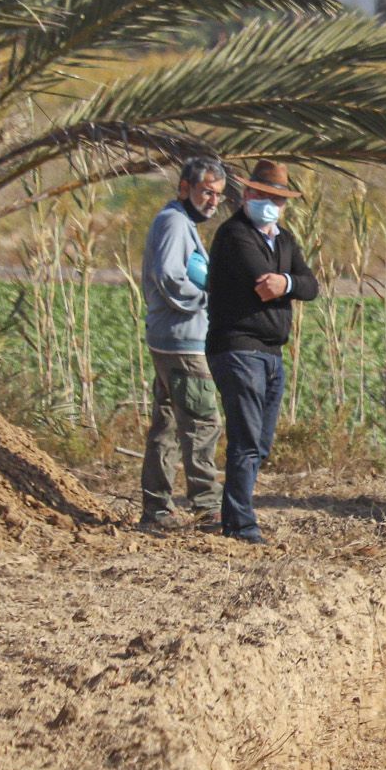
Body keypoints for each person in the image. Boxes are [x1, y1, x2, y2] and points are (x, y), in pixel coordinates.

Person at [205, 160, 319, 544]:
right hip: (238, 348)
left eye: (277, 199)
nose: (269, 203)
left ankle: (235, 514)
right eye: (262, 195)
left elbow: (310, 285)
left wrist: (285, 280)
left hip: (271, 352)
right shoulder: (235, 235)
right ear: (247, 194)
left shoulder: (284, 240)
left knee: (261, 441)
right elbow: (262, 285)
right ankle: (239, 524)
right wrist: (289, 284)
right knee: (247, 438)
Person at [136, 156, 226, 530]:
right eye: (207, 192)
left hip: (170, 339)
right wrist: (209, 299)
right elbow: (169, 277)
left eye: (218, 195)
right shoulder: (174, 222)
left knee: (168, 425)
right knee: (203, 422)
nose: (212, 201)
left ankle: (156, 510)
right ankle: (207, 508)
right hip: (183, 343)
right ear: (184, 188)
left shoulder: (178, 221)